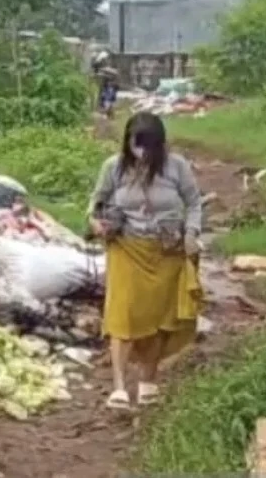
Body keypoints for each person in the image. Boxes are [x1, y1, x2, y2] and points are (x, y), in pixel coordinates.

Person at [87, 111, 203, 409]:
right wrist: (96, 223)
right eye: (136, 146)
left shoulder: (177, 168)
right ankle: (118, 387)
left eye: (147, 147)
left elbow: (193, 203)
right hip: (127, 247)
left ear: (160, 145)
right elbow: (96, 203)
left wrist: (191, 233)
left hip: (167, 251)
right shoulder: (113, 168)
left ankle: (148, 381)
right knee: (122, 314)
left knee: (159, 318)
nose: (141, 153)